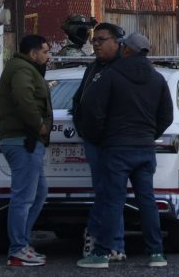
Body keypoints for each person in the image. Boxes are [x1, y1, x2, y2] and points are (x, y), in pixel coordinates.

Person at [76, 33, 173, 269]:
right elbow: (166, 116)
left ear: (127, 50)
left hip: (116, 147)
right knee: (147, 201)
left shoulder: (112, 75)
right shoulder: (158, 79)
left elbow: (91, 108)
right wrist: (150, 135)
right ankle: (156, 253)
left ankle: (101, 254)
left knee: (113, 201)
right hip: (145, 148)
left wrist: (100, 137)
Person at [0, 34, 53, 267]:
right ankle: (18, 248)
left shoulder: (26, 68)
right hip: (23, 141)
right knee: (24, 197)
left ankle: (21, 243)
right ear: (33, 53)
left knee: (38, 193)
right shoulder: (22, 70)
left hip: (26, 141)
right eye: (45, 52)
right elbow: (23, 97)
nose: (48, 56)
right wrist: (38, 125)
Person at [72, 22, 126, 261]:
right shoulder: (93, 69)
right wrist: (83, 127)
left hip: (118, 142)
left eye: (101, 40)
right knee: (106, 193)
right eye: (94, 41)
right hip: (95, 141)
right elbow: (79, 100)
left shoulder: (124, 69)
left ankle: (110, 242)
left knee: (113, 193)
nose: (95, 45)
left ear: (117, 42)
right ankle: (106, 242)